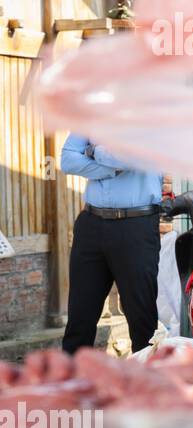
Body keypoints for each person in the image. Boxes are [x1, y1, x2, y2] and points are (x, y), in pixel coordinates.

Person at [59, 136, 163, 353]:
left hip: (136, 226)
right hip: (91, 223)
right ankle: (71, 373)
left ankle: (144, 373)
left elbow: (129, 158)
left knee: (142, 321)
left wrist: (93, 150)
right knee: (79, 318)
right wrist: (111, 169)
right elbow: (67, 161)